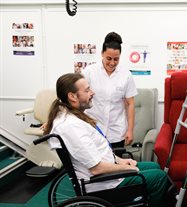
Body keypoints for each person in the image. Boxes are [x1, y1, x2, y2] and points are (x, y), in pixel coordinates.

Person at [44, 73, 170, 207]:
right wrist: (127, 169)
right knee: (159, 177)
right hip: (104, 184)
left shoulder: (73, 117)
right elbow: (96, 168)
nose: (92, 93)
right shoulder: (70, 126)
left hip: (108, 174)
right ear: (72, 96)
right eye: (87, 90)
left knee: (154, 166)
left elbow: (100, 151)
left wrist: (121, 160)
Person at [82, 32, 137, 148]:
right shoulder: (89, 72)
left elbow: (130, 104)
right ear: (102, 54)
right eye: (109, 58)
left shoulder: (126, 75)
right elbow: (77, 97)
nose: (112, 63)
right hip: (93, 128)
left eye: (116, 59)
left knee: (117, 164)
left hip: (117, 131)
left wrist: (130, 130)